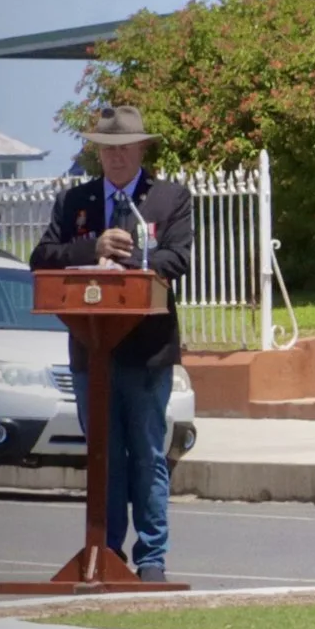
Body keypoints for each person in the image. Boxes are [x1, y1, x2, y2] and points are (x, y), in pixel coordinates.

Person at [30, 104, 193, 583]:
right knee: (103, 454)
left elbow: (176, 259)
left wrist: (134, 256)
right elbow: (43, 257)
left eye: (125, 149)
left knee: (145, 454)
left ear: (142, 148)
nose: (116, 158)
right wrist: (94, 247)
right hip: (91, 350)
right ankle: (107, 551)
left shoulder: (168, 198)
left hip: (145, 351)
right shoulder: (74, 202)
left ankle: (151, 558)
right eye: (107, 150)